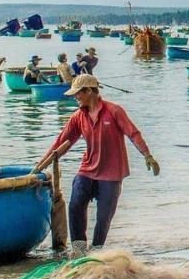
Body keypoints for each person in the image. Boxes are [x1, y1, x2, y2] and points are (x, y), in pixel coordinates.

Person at [34, 74, 159, 256]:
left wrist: (147, 155)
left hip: (111, 173)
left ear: (89, 91)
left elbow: (133, 133)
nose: (75, 97)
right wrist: (38, 168)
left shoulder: (114, 111)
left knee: (103, 217)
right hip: (88, 169)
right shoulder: (78, 117)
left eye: (78, 93)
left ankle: (96, 250)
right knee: (75, 204)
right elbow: (60, 143)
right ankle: (79, 248)